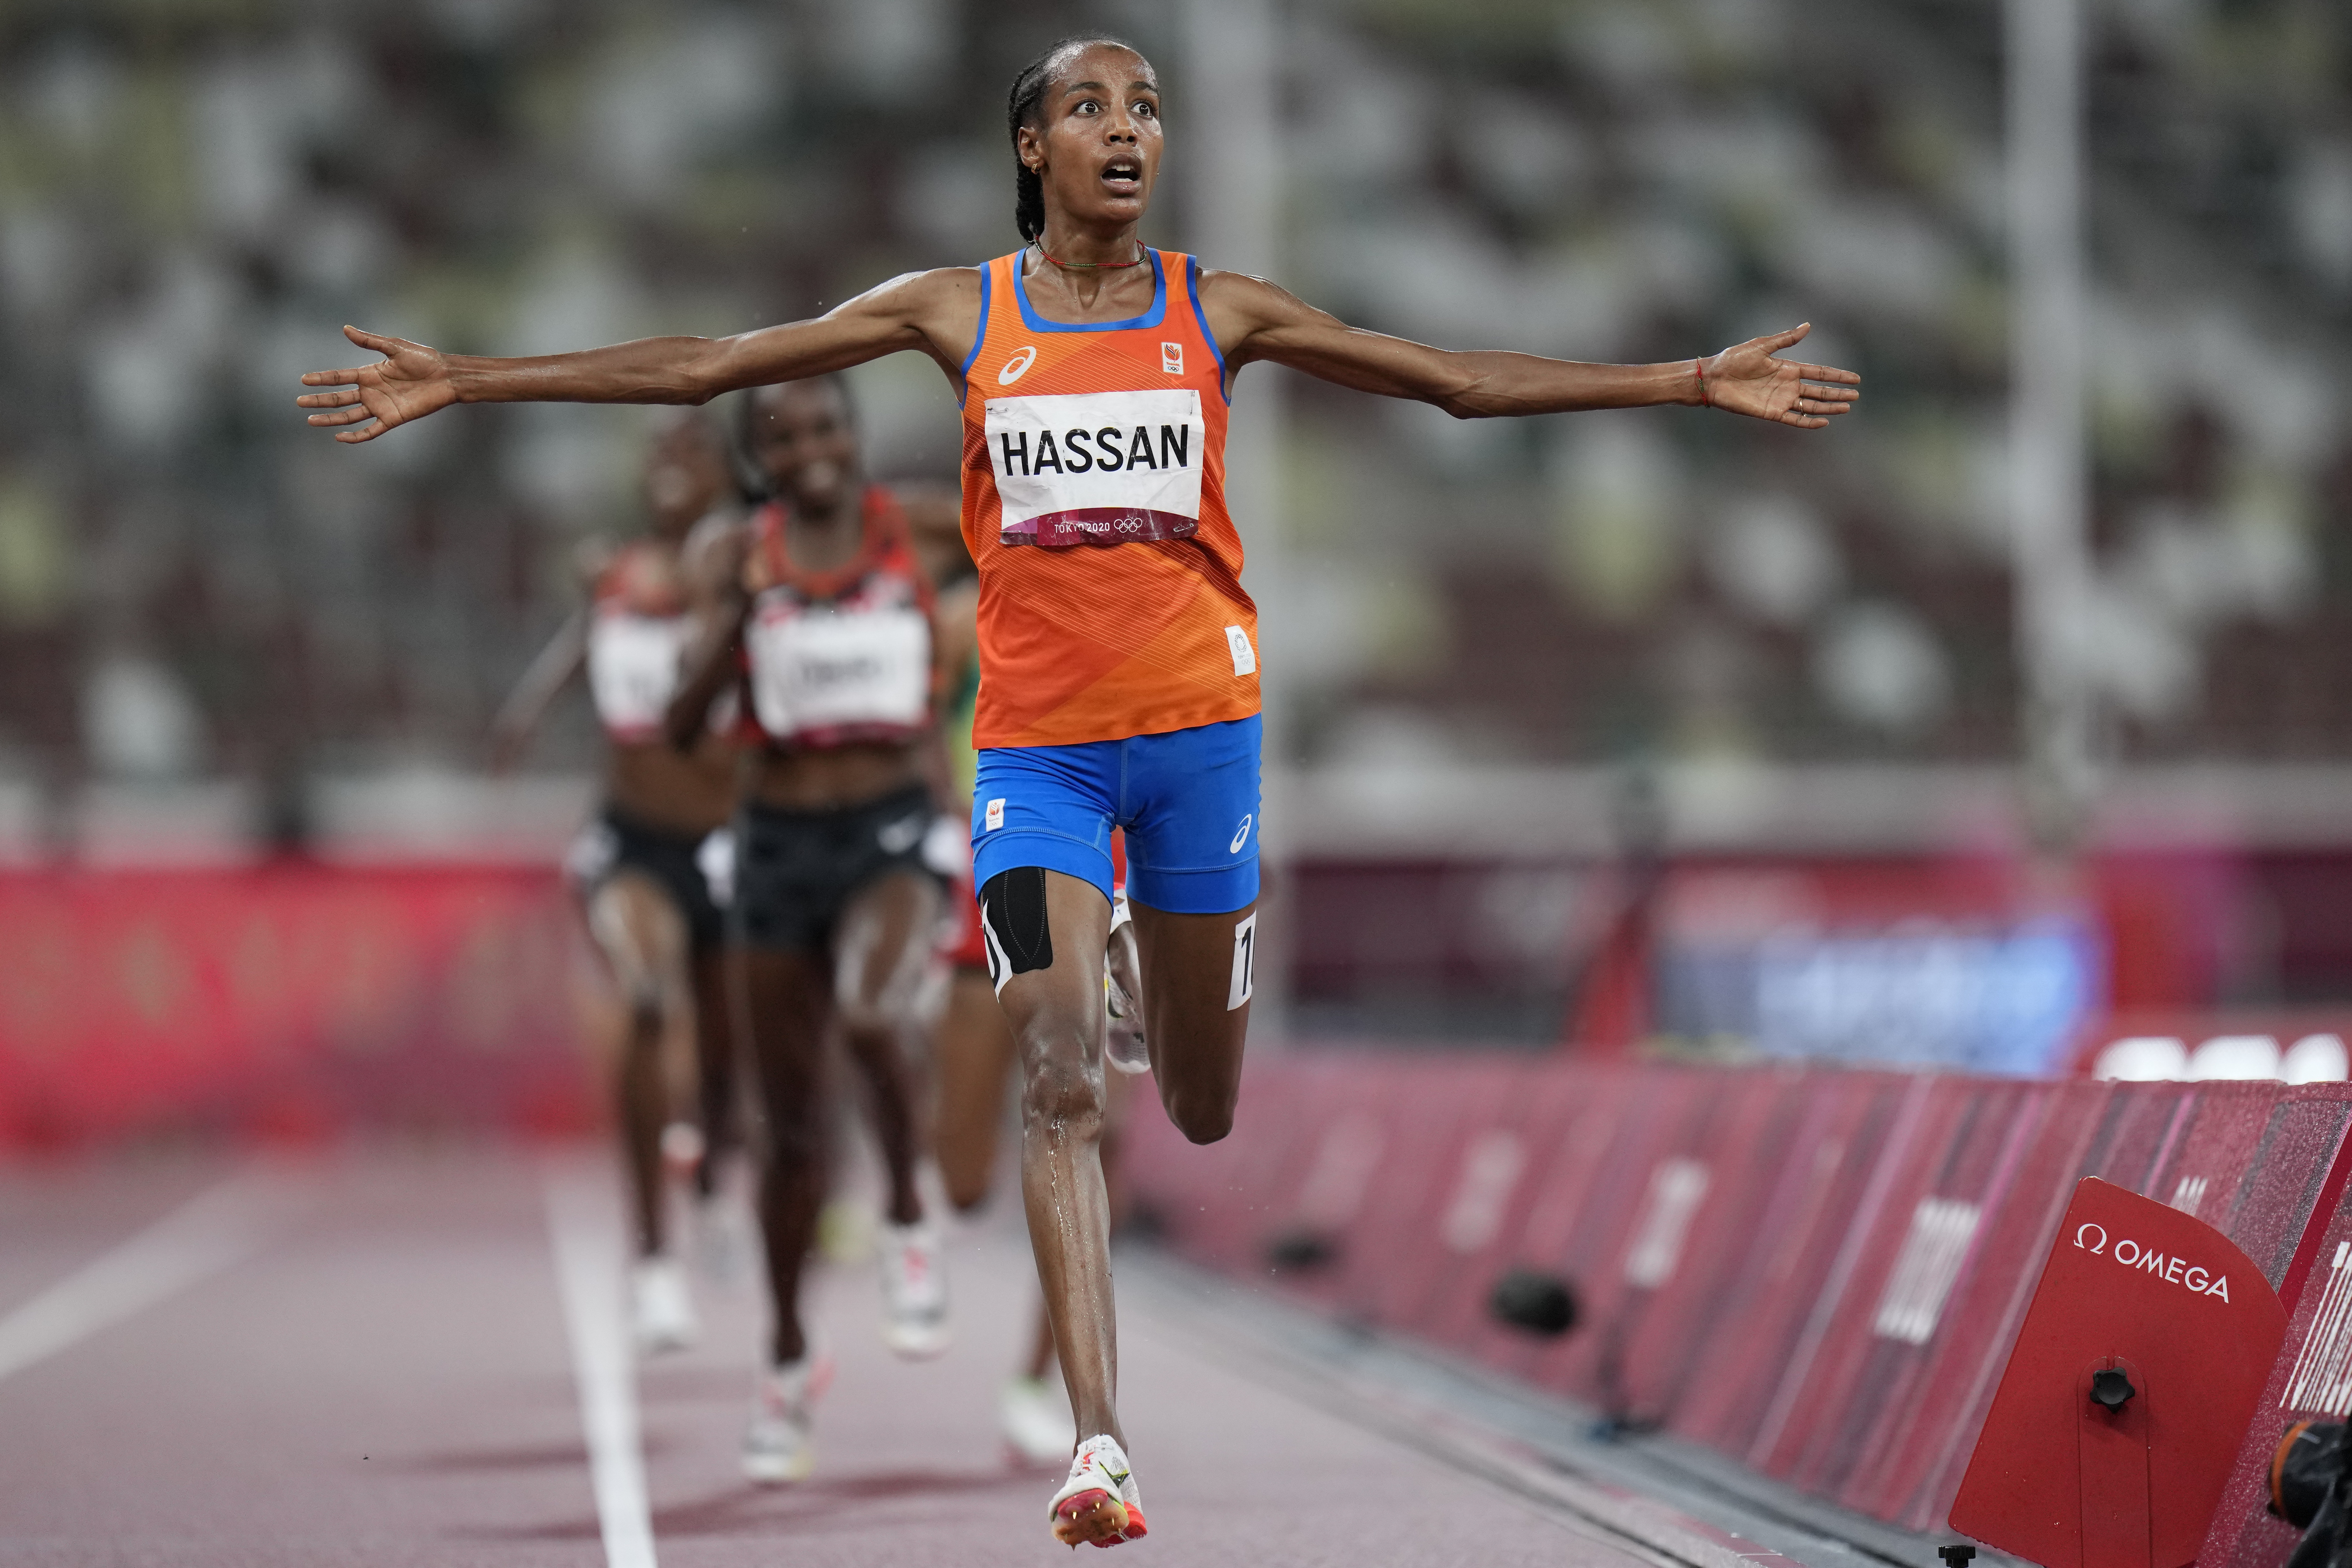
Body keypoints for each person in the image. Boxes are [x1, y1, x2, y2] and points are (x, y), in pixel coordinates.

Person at [297, 32, 1860, 1544]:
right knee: (1056, 1077)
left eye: (1151, 108)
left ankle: (1140, 977)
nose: (1131, 131)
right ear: (1032, 149)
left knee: (1199, 1102)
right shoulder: (956, 314)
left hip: (1200, 745)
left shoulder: (1215, 309)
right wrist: (470, 379)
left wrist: (1690, 380)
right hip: (1035, 753)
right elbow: (716, 363)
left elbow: (1450, 379)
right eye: (1095, 108)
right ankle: (1099, 1442)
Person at [660, 376, 959, 1484]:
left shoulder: (918, 528)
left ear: (857, 432)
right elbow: (684, 728)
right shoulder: (730, 555)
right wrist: (739, 615)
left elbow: (1034, 567)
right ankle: (786, 1359)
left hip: (888, 831)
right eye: (783, 439)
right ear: (760, 461)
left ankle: (907, 1210)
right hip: (777, 842)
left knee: (876, 1015)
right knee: (786, 1134)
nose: (812, 450)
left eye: (828, 426)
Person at [490, 409, 741, 1354]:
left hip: (731, 840)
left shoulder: (748, 565)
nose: (671, 470)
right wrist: (528, 709)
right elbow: (585, 636)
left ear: (724, 473)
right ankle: (650, 1263)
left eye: (691, 455)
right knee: (641, 1003)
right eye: (658, 456)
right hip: (633, 840)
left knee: (724, 1054)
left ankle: (716, 1176)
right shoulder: (616, 570)